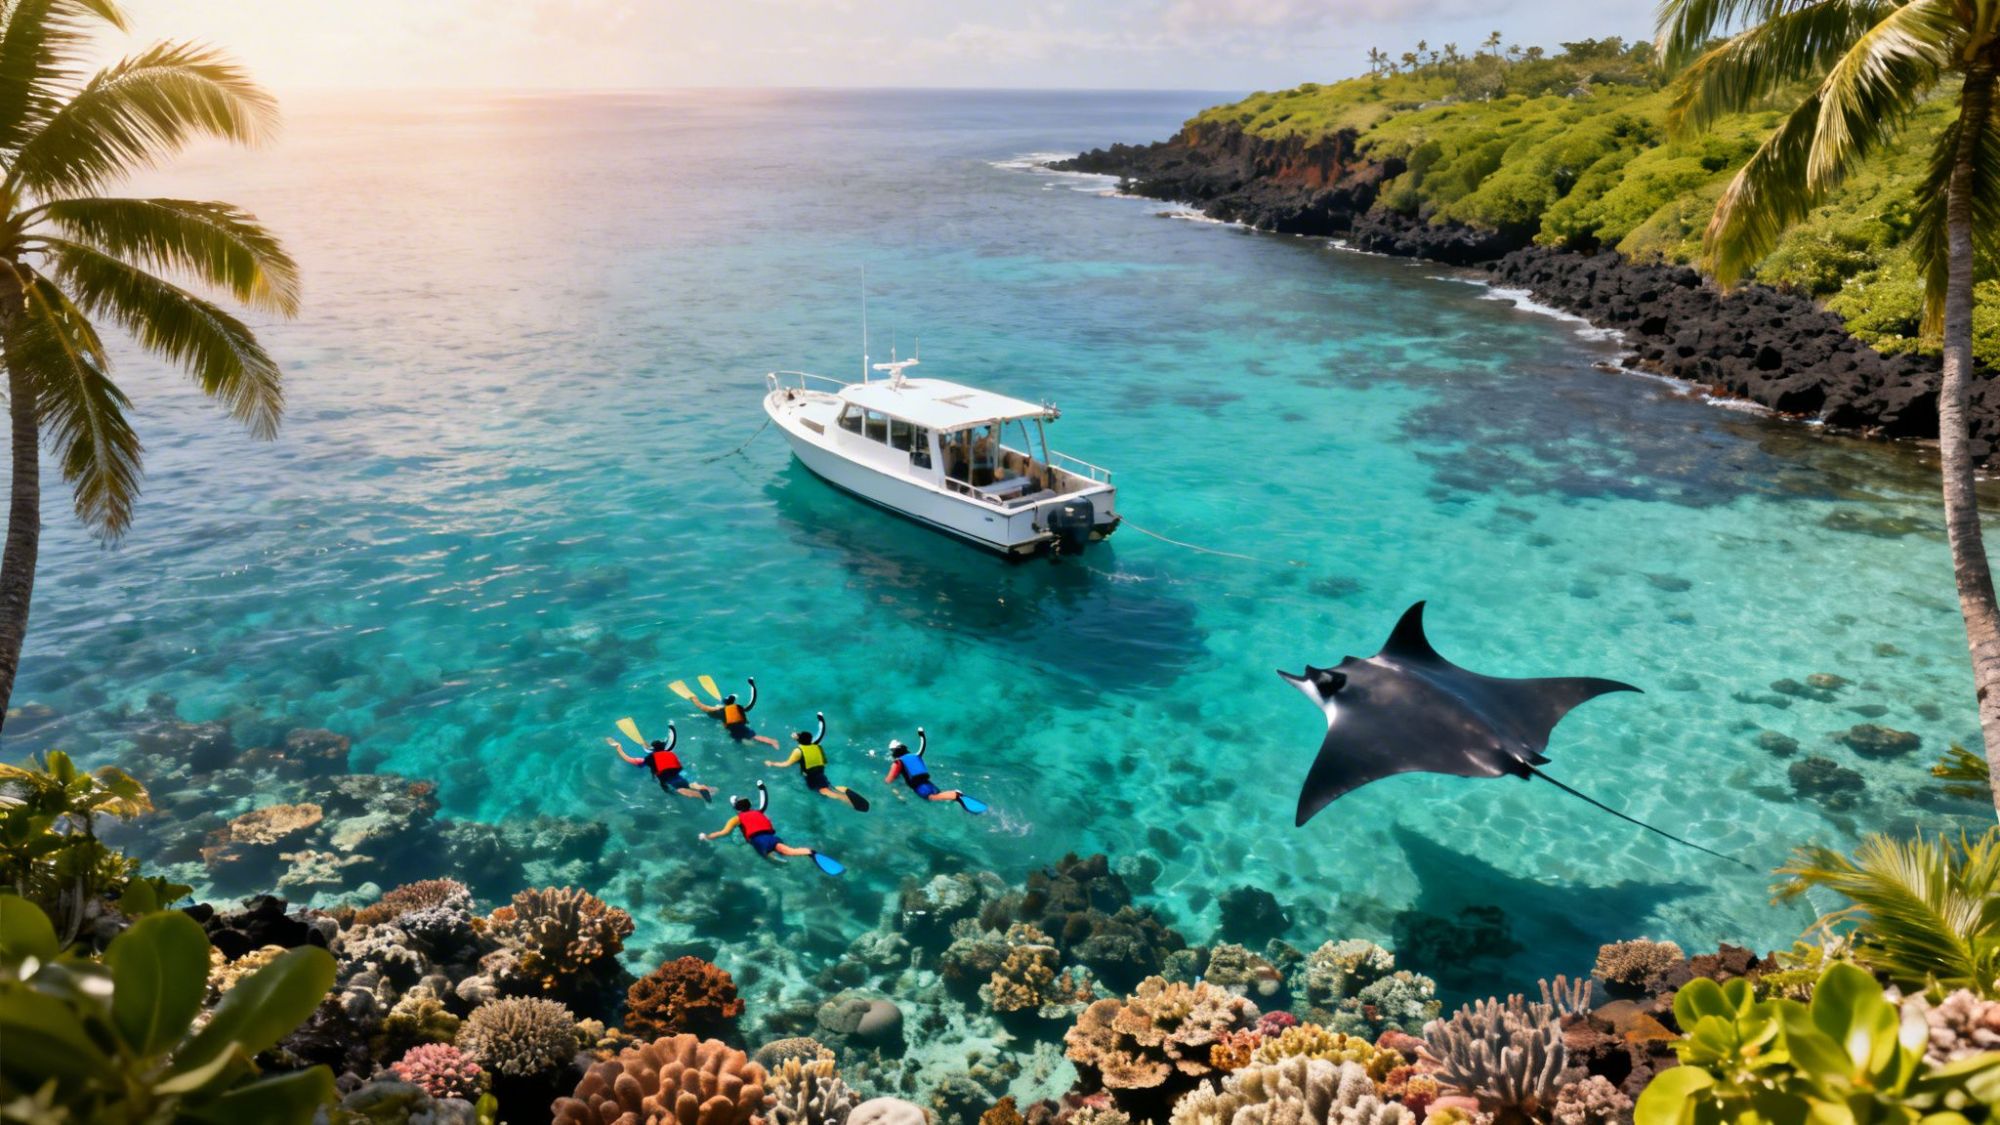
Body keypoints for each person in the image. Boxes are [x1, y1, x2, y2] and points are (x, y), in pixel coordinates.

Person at [765, 711, 869, 811]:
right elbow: (821, 732)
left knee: (823, 791)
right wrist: (821, 719)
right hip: (821, 774)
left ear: (799, 741)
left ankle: (846, 800)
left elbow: (786, 764)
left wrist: (771, 763)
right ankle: (843, 789)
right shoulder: (815, 745)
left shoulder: (798, 751)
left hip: (812, 778)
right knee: (829, 786)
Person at [699, 781, 817, 861]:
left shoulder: (737, 818)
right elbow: (765, 800)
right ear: (750, 805)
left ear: (736, 809)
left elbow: (723, 832)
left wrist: (707, 836)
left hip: (759, 840)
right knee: (789, 851)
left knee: (767, 854)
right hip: (771, 837)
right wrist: (761, 787)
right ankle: (809, 852)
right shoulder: (759, 812)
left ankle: (775, 860)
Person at [882, 728, 985, 813]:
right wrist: (921, 734)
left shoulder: (898, 762)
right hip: (928, 783)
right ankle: (952, 797)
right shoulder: (914, 756)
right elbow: (922, 747)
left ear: (894, 752)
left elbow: (889, 780)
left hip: (920, 786)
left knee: (931, 797)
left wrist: (884, 781)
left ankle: (956, 795)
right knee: (938, 795)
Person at [604, 721, 713, 802]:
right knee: (691, 784)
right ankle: (701, 787)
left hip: (667, 777)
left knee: (681, 790)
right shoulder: (669, 753)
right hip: (677, 773)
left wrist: (619, 748)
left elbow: (631, 760)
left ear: (653, 749)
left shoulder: (651, 758)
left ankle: (700, 796)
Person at [693, 676, 780, 749]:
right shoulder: (738, 708)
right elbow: (752, 701)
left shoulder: (719, 711)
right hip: (742, 728)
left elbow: (702, 707)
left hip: (734, 732)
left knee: (741, 743)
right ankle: (772, 741)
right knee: (754, 737)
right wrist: (753, 687)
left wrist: (694, 699)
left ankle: (769, 742)